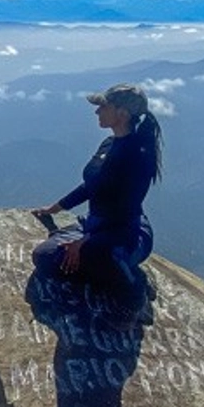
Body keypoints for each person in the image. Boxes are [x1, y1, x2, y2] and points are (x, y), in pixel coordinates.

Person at [33, 83, 162, 295]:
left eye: (103, 106)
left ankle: (131, 290)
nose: (97, 111)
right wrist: (54, 209)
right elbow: (91, 186)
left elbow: (125, 209)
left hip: (125, 235)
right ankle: (103, 264)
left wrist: (85, 241)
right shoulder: (110, 143)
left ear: (122, 113)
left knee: (47, 259)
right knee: (48, 253)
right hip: (98, 225)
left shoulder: (138, 156)